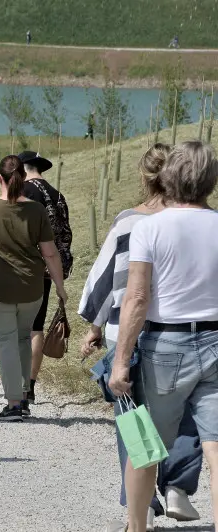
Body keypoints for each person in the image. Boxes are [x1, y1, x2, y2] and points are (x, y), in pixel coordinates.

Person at [79, 144, 202, 531]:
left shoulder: (128, 222)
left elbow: (104, 279)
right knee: (184, 415)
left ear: (145, 177)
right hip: (181, 332)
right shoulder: (196, 220)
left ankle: (142, 504)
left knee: (133, 420)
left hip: (125, 333)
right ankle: (179, 485)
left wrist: (95, 326)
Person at [109, 141, 218, 532]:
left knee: (145, 442)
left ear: (169, 176)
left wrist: (120, 361)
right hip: (216, 340)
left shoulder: (149, 228)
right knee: (215, 444)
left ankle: (137, 525)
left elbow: (137, 298)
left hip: (166, 345)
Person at [0, 151, 72, 404]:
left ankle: (7, 398)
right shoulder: (47, 204)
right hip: (35, 284)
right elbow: (54, 250)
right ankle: (25, 392)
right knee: (27, 336)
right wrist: (59, 285)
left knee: (3, 339)